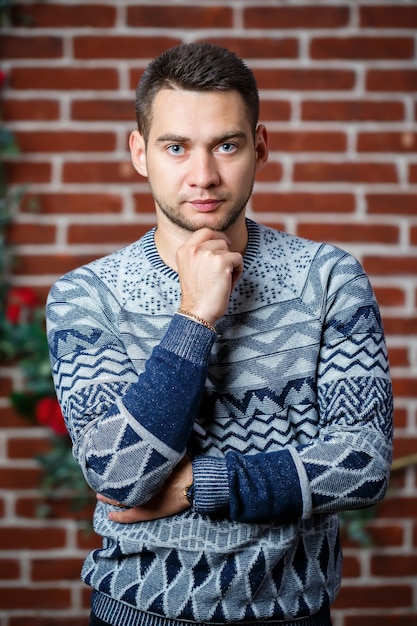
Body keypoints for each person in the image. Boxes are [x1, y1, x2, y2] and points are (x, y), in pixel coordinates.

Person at [46, 43, 393, 626]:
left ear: (259, 145)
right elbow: (120, 477)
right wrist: (196, 317)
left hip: (295, 614)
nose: (202, 175)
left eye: (226, 145)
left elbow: (362, 462)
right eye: (175, 147)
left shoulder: (329, 277)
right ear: (140, 153)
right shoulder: (86, 296)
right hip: (139, 612)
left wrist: (197, 486)